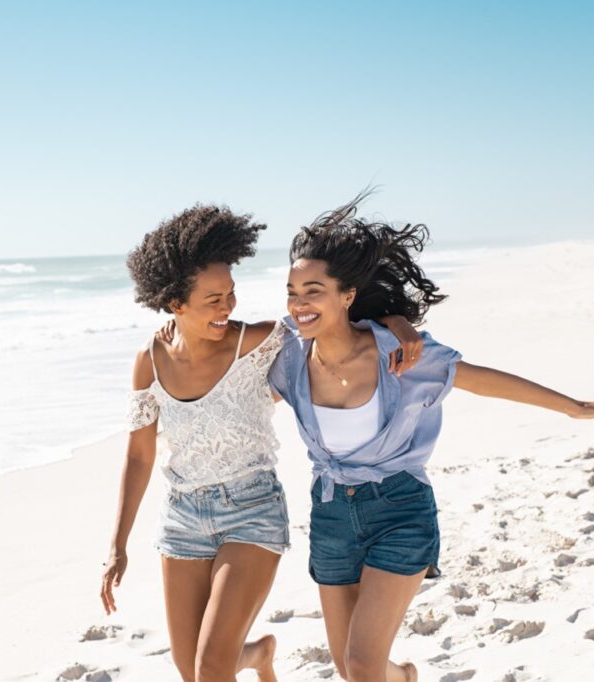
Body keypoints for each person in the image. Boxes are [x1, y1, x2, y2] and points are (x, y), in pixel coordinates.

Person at [269, 193, 594, 682]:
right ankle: (407, 677)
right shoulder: (287, 358)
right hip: (331, 514)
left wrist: (573, 407)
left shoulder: (401, 357)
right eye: (292, 292)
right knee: (351, 665)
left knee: (359, 666)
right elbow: (227, 381)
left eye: (312, 290)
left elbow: (481, 379)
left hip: (398, 510)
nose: (299, 304)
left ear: (347, 295)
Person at [100, 203, 421, 682]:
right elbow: (139, 454)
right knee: (191, 669)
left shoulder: (259, 342)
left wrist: (397, 323)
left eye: (230, 294)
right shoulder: (149, 360)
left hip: (252, 510)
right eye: (212, 299)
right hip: (182, 518)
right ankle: (257, 656)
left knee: (211, 668)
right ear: (175, 304)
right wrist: (117, 544)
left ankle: (239, 659)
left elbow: (334, 317)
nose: (227, 307)